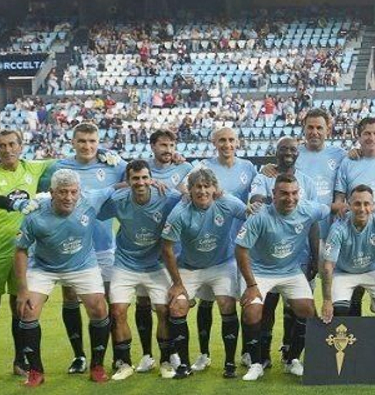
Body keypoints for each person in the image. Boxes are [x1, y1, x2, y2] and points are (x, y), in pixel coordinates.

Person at [12, 169, 114, 387]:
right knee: (28, 310)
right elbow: (20, 250)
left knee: (99, 307)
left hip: (82, 264)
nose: (69, 197)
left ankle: (97, 366)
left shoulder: (90, 200)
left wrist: (151, 181)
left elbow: (117, 186)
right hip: (44, 268)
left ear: (79, 192)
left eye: (73, 192)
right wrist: (22, 290)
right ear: (52, 192)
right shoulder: (35, 215)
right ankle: (35, 371)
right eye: (63, 192)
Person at [41, 124, 126, 375]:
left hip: (104, 246)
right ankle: (79, 356)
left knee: (110, 303)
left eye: (92, 141)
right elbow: (42, 194)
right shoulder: (59, 168)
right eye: (82, 141)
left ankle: (116, 357)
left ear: (98, 141)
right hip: (71, 248)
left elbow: (140, 172)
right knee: (70, 299)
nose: (87, 146)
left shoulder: (113, 164)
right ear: (73, 142)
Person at [0, 129, 53, 381]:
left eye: (11, 144)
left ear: (21, 146)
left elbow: (68, 161)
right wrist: (16, 204)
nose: (7, 150)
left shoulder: (33, 168)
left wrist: (103, 153)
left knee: (20, 306)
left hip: (24, 251)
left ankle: (20, 361)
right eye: (1, 146)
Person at [160, 168, 249, 379]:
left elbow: (250, 215)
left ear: (214, 188)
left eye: (206, 186)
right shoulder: (180, 212)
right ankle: (183, 364)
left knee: (227, 305)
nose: (202, 191)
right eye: (197, 187)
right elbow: (167, 248)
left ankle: (229, 363)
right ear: (189, 190)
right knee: (177, 307)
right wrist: (177, 283)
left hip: (222, 264)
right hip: (189, 267)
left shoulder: (226, 202)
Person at [236, 174, 326, 379]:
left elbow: (332, 209)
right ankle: (256, 363)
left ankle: (292, 359)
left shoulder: (308, 209)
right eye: (284, 193)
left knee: (308, 310)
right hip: (259, 272)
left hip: (290, 271)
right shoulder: (259, 216)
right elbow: (241, 250)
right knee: (252, 311)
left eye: (294, 193)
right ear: (273, 195)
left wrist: (343, 208)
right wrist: (251, 285)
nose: (290, 198)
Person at [100, 160, 183, 379]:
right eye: (135, 178)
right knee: (117, 312)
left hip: (155, 264)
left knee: (164, 311)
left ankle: (166, 360)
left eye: (145, 177)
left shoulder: (166, 197)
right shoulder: (118, 200)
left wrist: (172, 186)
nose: (140, 182)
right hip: (125, 264)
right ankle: (124, 363)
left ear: (151, 179)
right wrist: (109, 189)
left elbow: (187, 197)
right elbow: (93, 208)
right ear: (127, 181)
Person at [197, 127, 259, 358]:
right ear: (214, 142)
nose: (227, 144)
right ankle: (203, 354)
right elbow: (186, 188)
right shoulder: (204, 167)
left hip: (241, 246)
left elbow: (257, 193)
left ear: (238, 142)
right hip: (212, 245)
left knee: (242, 300)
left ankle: (245, 351)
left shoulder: (248, 167)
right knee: (206, 302)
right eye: (222, 140)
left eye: (231, 139)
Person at [322, 186, 375, 315]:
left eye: (367, 204)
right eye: (357, 204)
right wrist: (326, 301)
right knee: (339, 311)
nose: (362, 209)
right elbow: (328, 265)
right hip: (345, 272)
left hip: (374, 269)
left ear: (373, 206)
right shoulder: (338, 228)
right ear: (349, 205)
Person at [290, 107, 346, 206]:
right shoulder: (293, 154)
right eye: (310, 127)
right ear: (304, 129)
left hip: (329, 219)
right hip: (301, 218)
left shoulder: (340, 155)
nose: (314, 132)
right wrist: (269, 169)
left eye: (319, 128)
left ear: (327, 130)